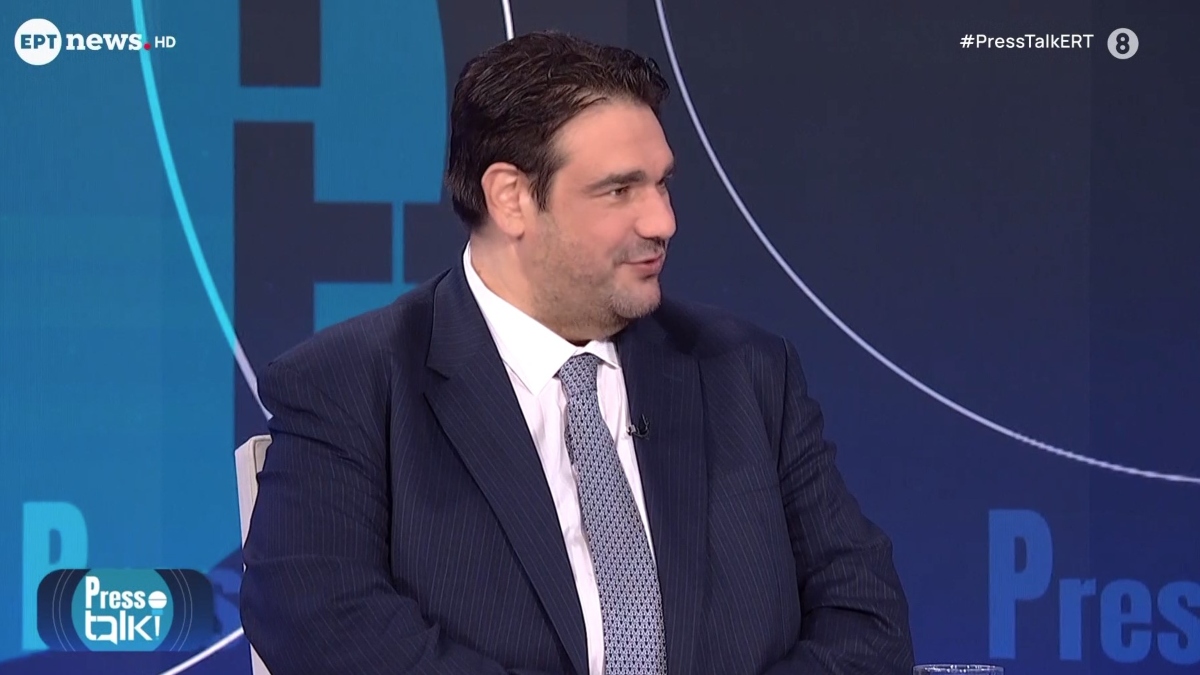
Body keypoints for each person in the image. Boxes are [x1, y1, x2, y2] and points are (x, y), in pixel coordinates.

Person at [240, 30, 914, 675]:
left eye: (663, 183)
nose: (663, 221)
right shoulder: (352, 385)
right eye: (619, 190)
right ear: (511, 198)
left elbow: (865, 618)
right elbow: (318, 620)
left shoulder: (746, 373)